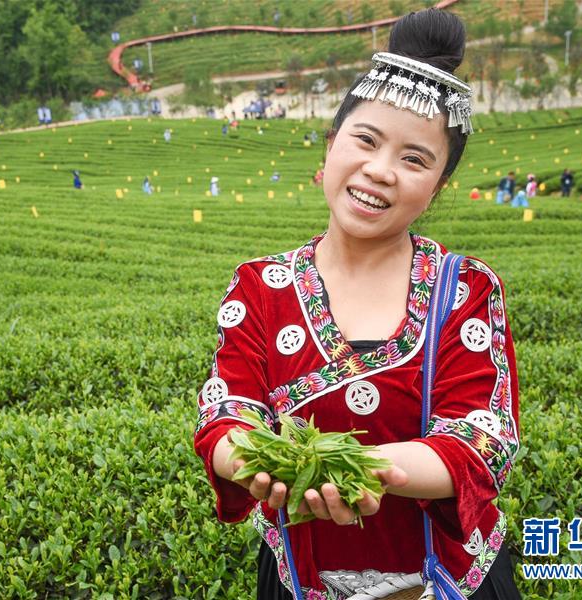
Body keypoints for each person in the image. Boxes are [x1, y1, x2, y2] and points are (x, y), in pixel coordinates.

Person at [194, 9, 521, 600]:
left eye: (414, 159)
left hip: (444, 581)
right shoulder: (259, 286)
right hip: (303, 579)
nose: (380, 170)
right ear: (330, 146)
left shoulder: (465, 289)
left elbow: (481, 439)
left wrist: (356, 470)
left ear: (438, 187)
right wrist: (259, 460)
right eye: (365, 140)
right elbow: (226, 413)